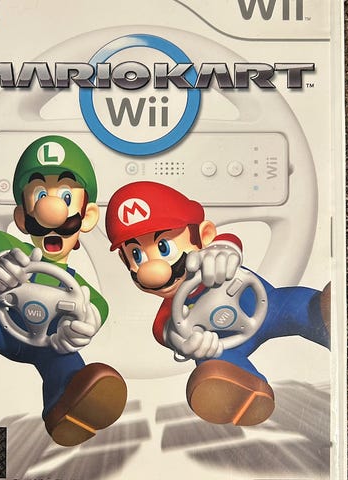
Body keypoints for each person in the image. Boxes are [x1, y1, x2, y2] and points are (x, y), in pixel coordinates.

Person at [105, 181, 330, 426]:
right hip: (223, 346)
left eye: (163, 247)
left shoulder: (217, 254)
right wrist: (187, 343)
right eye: (136, 255)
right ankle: (244, 392)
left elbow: (228, 242)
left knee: (300, 305)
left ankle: (328, 319)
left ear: (204, 236)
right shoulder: (171, 312)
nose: (152, 271)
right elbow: (164, 330)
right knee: (213, 365)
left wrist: (221, 253)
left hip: (271, 308)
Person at [0, 135, 127, 446]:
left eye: (66, 196)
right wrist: (3, 263)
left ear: (87, 217)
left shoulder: (77, 286)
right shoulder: (16, 252)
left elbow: (98, 305)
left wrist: (85, 324)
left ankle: (68, 404)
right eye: (40, 194)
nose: (51, 210)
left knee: (66, 360)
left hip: (50, 345)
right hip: (4, 328)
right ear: (22, 217)